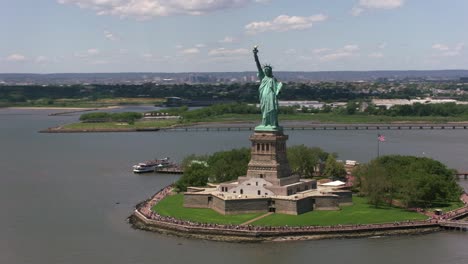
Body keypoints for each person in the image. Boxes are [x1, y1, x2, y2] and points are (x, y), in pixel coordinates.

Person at [253, 46, 283, 130]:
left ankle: (273, 124)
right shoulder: (263, 77)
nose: (266, 71)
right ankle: (265, 124)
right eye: (265, 70)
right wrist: (255, 55)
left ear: (270, 71)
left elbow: (278, 88)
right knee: (265, 110)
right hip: (264, 96)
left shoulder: (273, 79)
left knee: (272, 109)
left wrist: (279, 89)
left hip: (271, 96)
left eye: (268, 70)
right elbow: (258, 65)